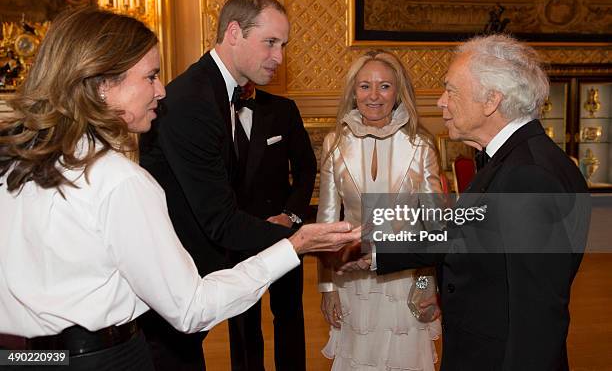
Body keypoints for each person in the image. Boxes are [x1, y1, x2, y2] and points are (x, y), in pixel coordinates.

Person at [0, 7, 359, 370]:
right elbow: (192, 308)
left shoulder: (13, 163)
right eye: (151, 76)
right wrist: (296, 244)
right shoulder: (120, 182)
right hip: (100, 358)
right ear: (102, 84)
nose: (160, 90)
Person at [339, 35, 590, 371]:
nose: (441, 101)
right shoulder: (508, 160)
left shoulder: (527, 176)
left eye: (451, 90)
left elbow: (537, 317)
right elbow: (461, 236)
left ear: (491, 100)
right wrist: (375, 253)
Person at [138, 0, 351, 369]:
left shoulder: (218, 92)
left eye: (283, 45)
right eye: (270, 42)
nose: (279, 57)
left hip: (190, 284)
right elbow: (219, 220)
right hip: (171, 290)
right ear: (234, 33)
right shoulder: (193, 100)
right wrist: (302, 240)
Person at [317, 50, 442, 371]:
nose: (374, 96)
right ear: (353, 92)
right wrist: (328, 287)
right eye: (364, 86)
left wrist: (428, 284)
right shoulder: (334, 142)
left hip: (404, 280)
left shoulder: (420, 144)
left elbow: (435, 225)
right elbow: (327, 222)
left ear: (398, 92)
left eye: (384, 86)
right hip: (352, 278)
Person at [228, 81, 317, 371]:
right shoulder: (210, 111)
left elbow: (306, 169)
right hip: (235, 235)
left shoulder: (283, 109)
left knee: (289, 315)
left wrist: (290, 216)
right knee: (242, 323)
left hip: (282, 234)